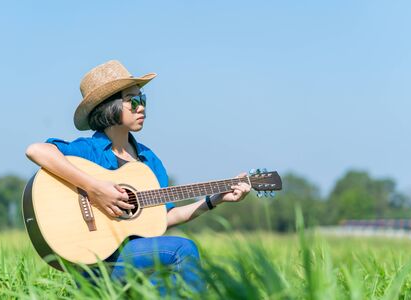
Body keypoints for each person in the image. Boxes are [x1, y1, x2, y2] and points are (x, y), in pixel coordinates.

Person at [25, 60, 251, 293]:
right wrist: (94, 188)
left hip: (132, 258)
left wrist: (214, 200)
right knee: (184, 250)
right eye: (132, 100)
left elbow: (165, 216)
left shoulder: (148, 160)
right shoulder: (89, 150)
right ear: (109, 106)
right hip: (95, 259)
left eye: (143, 99)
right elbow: (36, 150)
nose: (141, 107)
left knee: (167, 287)